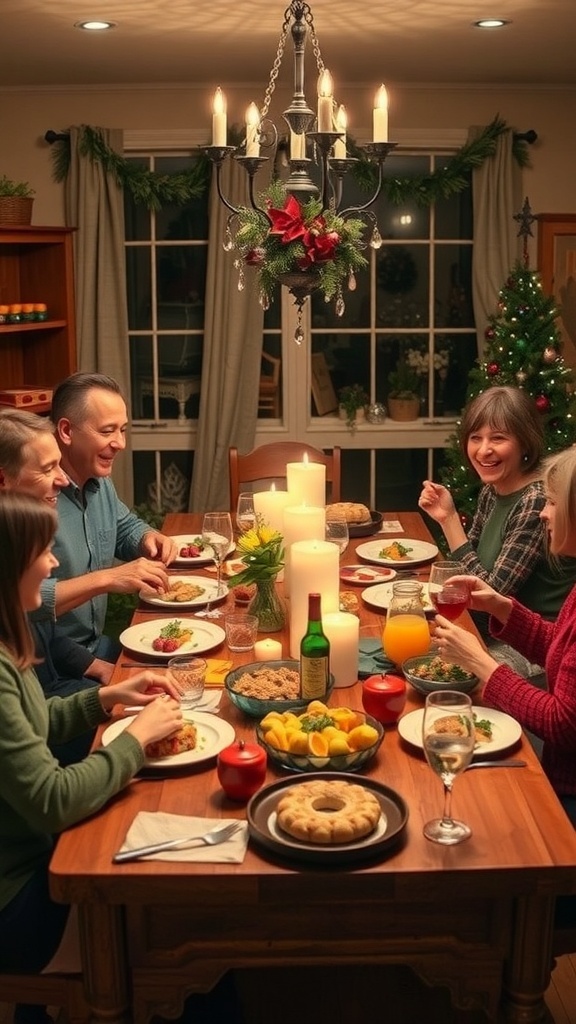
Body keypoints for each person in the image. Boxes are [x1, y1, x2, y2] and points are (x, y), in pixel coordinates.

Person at [0, 492, 183, 1023]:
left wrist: (106, 698)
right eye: (43, 552)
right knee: (166, 921)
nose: (55, 563)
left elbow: (37, 724)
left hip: (28, 857)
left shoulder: (9, 648)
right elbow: (52, 800)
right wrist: (134, 740)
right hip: (16, 902)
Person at [432, 444, 576, 828]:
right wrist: (502, 607)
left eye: (552, 504)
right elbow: (560, 649)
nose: (543, 512)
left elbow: (563, 723)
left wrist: (483, 664)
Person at [418, 386, 576, 660]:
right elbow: (470, 568)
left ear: (525, 443)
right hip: (489, 631)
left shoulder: (535, 500)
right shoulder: (494, 489)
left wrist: (450, 521)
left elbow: (491, 595)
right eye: (475, 438)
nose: (483, 450)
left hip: (532, 649)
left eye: (498, 438)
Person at [38, 372, 178, 659]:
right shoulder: (35, 497)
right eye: (107, 431)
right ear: (66, 431)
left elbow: (124, 526)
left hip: (97, 645)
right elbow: (26, 601)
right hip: (49, 663)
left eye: (122, 430)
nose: (120, 443)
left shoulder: (98, 480)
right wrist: (107, 579)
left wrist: (148, 538)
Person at [0, 409, 114, 696]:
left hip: (60, 685)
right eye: (47, 468)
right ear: (3, 480)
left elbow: (43, 631)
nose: (63, 480)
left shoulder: (17, 530)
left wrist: (98, 667)